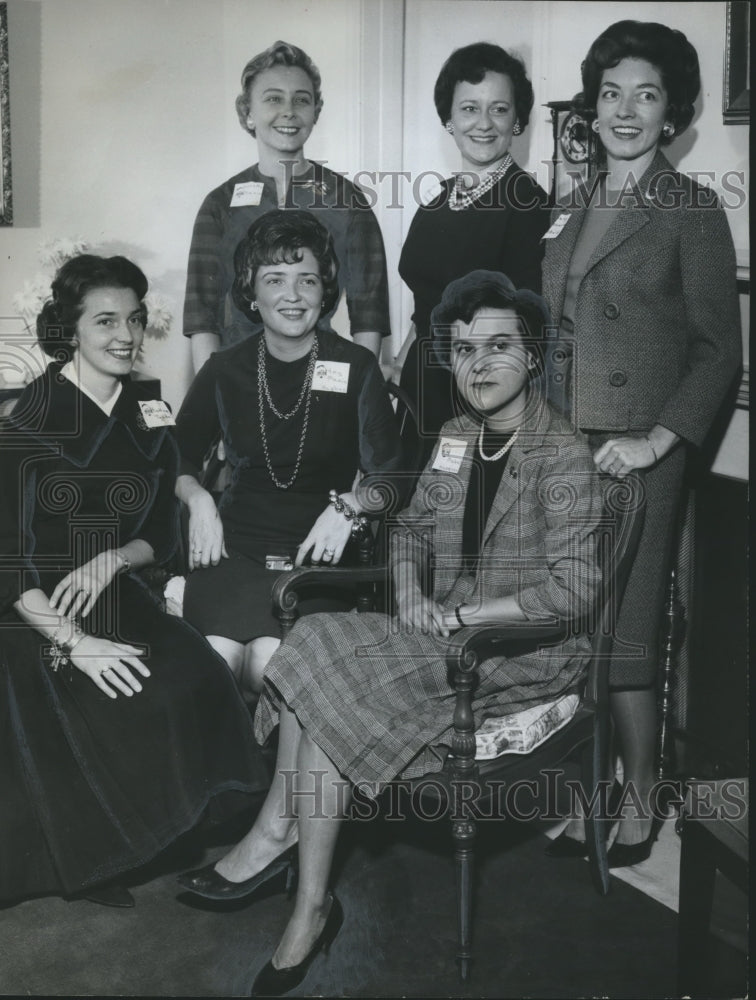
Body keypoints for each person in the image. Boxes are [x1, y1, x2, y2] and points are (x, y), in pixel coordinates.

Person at [177, 270, 603, 996]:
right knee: (315, 642)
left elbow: (574, 591)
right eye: (464, 350)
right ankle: (301, 880)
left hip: (521, 652)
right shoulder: (457, 439)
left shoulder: (559, 455)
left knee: (322, 667)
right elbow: (406, 528)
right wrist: (408, 590)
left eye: (500, 346)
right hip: (440, 633)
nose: (479, 364)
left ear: (533, 355)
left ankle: (294, 877)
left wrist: (466, 616)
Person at [0, 255, 269, 908]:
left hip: (114, 588)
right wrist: (75, 643)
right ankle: (97, 853)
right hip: (30, 608)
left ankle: (182, 835)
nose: (126, 334)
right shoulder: (22, 425)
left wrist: (112, 559)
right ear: (69, 330)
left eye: (136, 319)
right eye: (106, 320)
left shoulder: (149, 409)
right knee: (101, 692)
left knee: (194, 672)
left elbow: (162, 532)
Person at [541, 20, 742, 866]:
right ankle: (593, 781)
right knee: (570, 625)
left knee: (627, 629)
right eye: (612, 92)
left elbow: (719, 351)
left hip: (636, 453)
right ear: (593, 104)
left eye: (647, 94)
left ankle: (641, 794)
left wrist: (660, 438)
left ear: (675, 115)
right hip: (561, 445)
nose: (626, 110)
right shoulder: (570, 207)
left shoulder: (690, 209)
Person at [175, 210, 402, 696]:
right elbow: (177, 457)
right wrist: (198, 501)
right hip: (233, 554)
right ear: (251, 294)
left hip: (316, 559)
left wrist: (351, 505)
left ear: (326, 292)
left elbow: (392, 476)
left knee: (268, 667)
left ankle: (278, 772)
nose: (293, 295)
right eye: (275, 280)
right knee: (215, 663)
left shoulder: (356, 365)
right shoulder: (224, 369)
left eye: (308, 280)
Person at [184, 39, 390, 372]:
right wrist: (214, 399)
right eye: (273, 99)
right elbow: (201, 319)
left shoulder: (348, 201)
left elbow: (370, 317)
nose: (289, 112)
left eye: (301, 100)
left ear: (316, 112)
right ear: (248, 112)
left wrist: (353, 394)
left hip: (323, 375)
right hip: (241, 378)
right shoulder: (219, 205)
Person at [398, 42, 550, 455]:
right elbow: (423, 306)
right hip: (420, 389)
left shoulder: (527, 202)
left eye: (499, 109)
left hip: (478, 398)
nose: (484, 123)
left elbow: (526, 332)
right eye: (469, 108)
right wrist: (399, 367)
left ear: (517, 119)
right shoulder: (437, 201)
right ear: (448, 117)